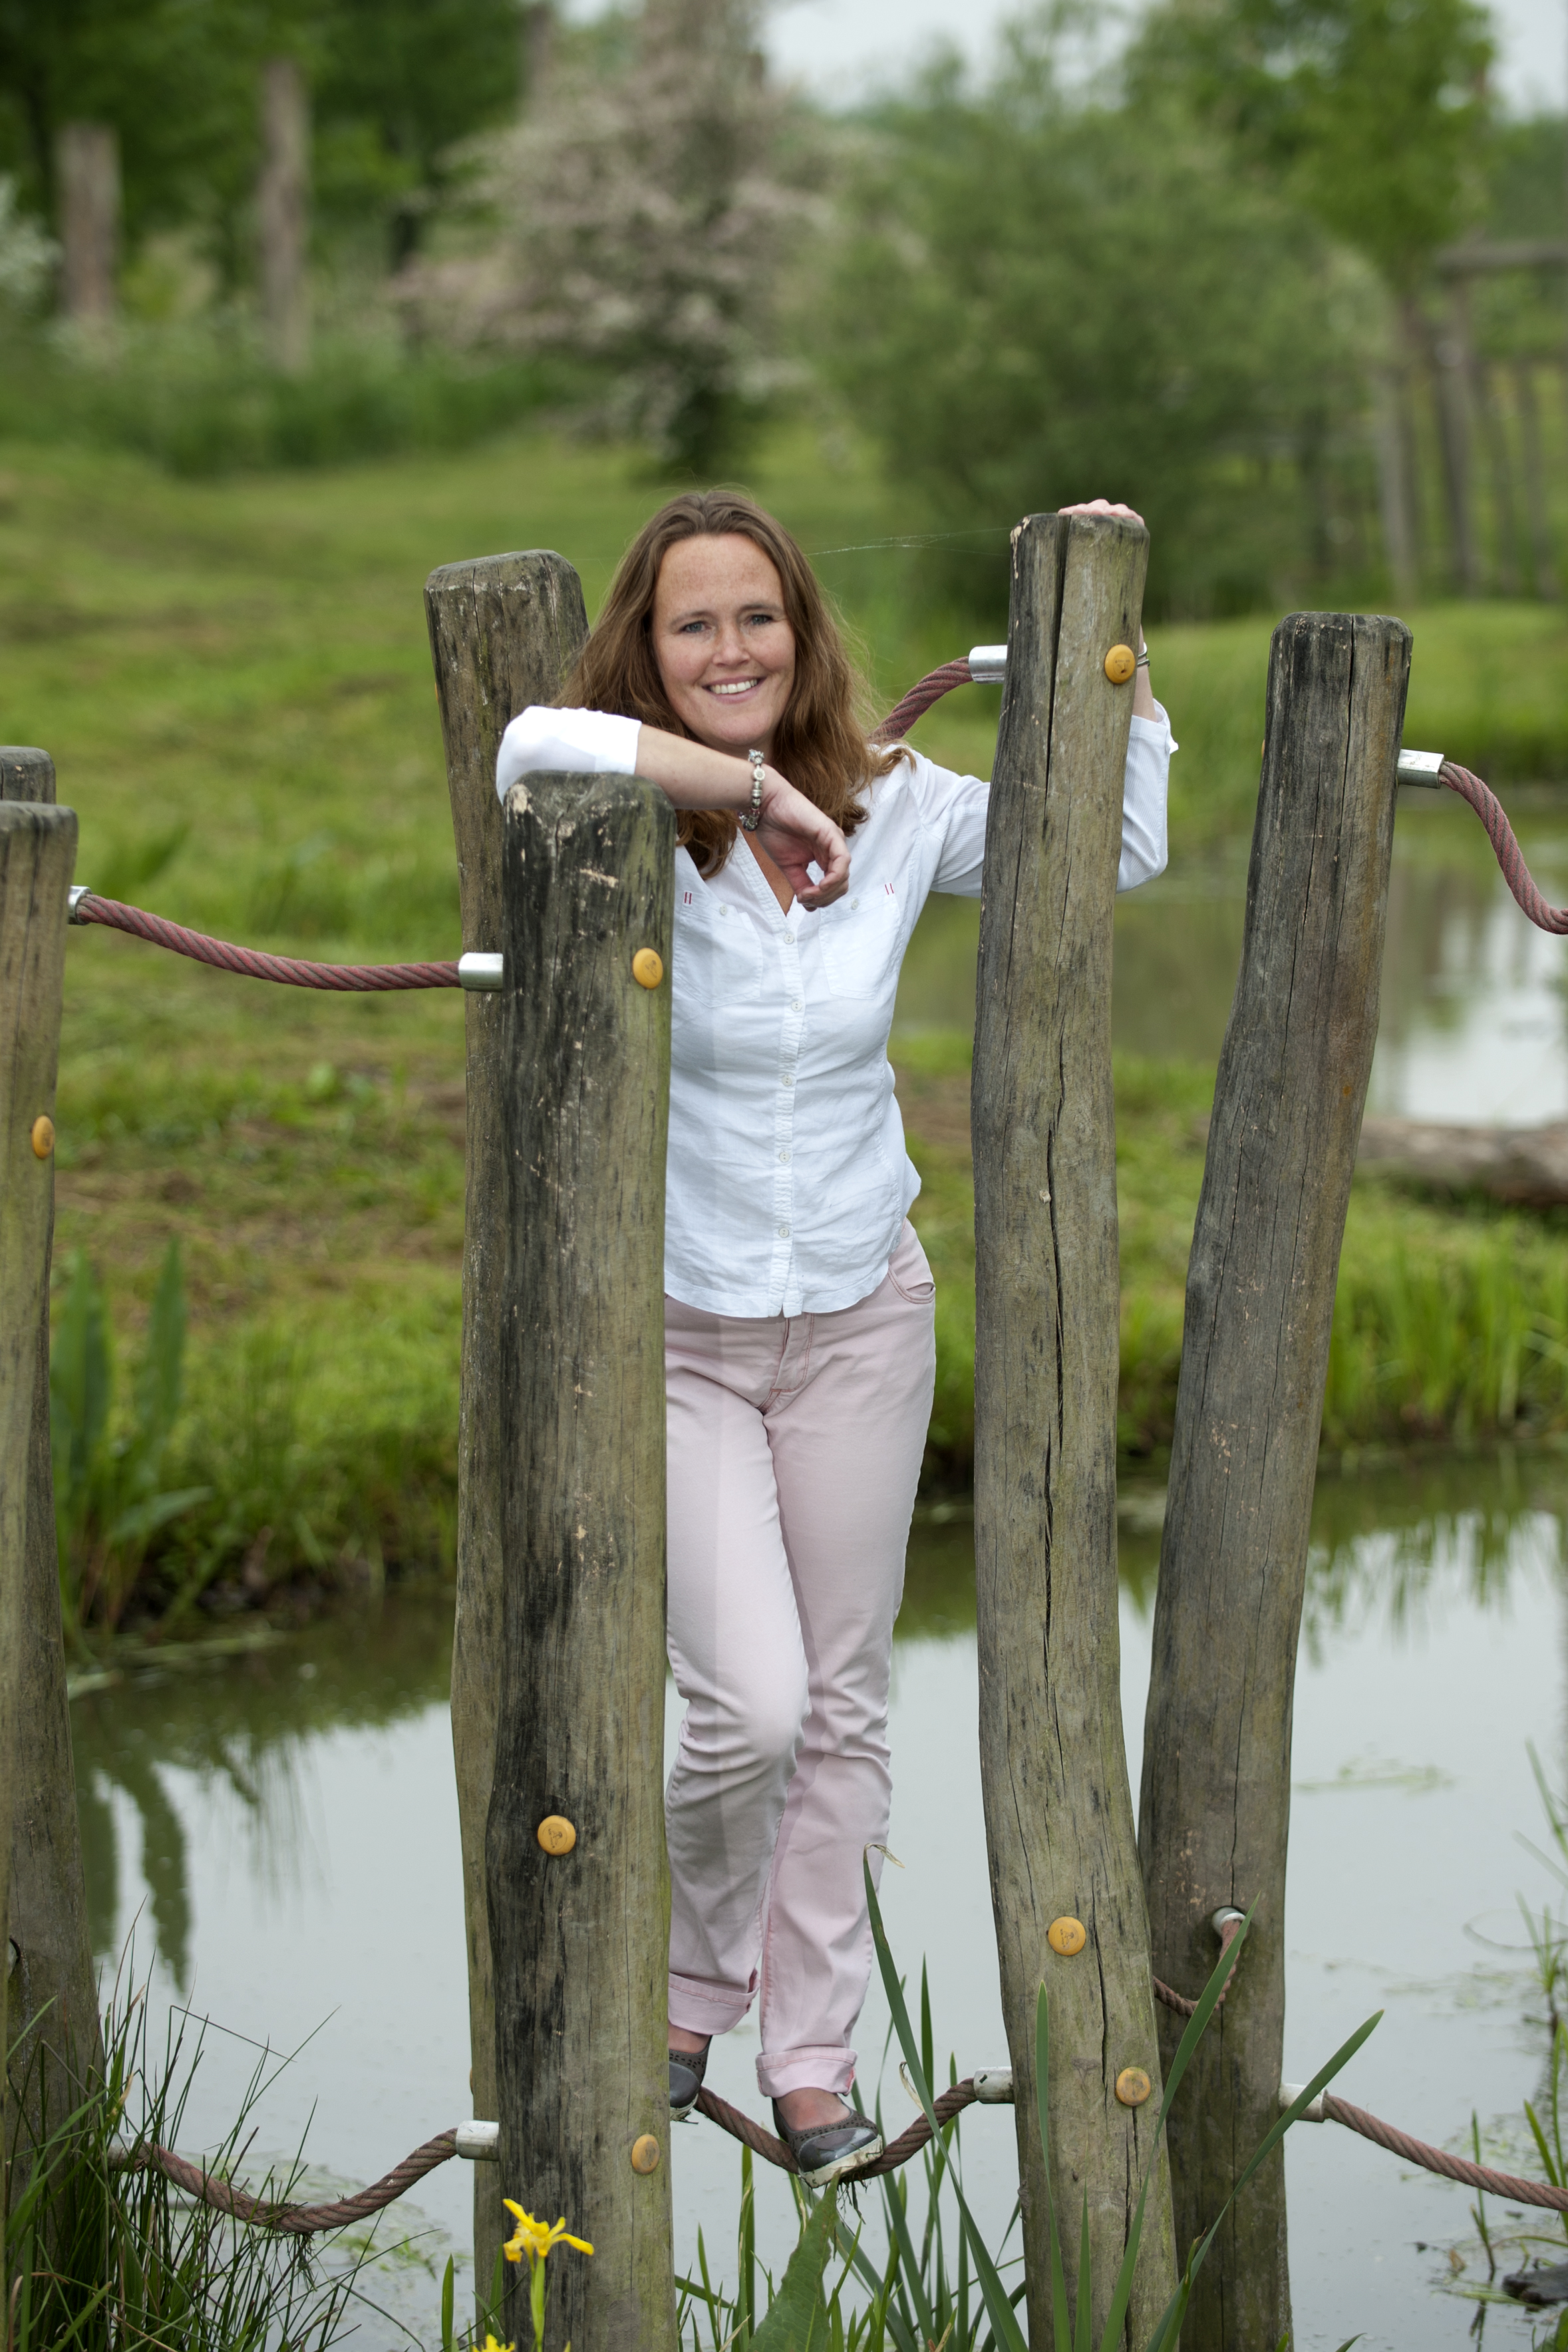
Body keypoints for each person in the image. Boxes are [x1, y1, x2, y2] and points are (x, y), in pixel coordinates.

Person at [495, 490, 1173, 2188]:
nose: (731, 650)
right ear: (649, 649)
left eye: (758, 618)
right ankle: (687, 1985)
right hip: (684, 1338)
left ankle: (810, 2053)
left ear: (805, 628)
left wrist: (1124, 675)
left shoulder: (902, 803)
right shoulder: (618, 808)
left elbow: (1111, 848)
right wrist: (751, 786)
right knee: (752, 1707)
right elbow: (521, 735)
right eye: (692, 624)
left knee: (847, 1706)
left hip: (864, 1315)